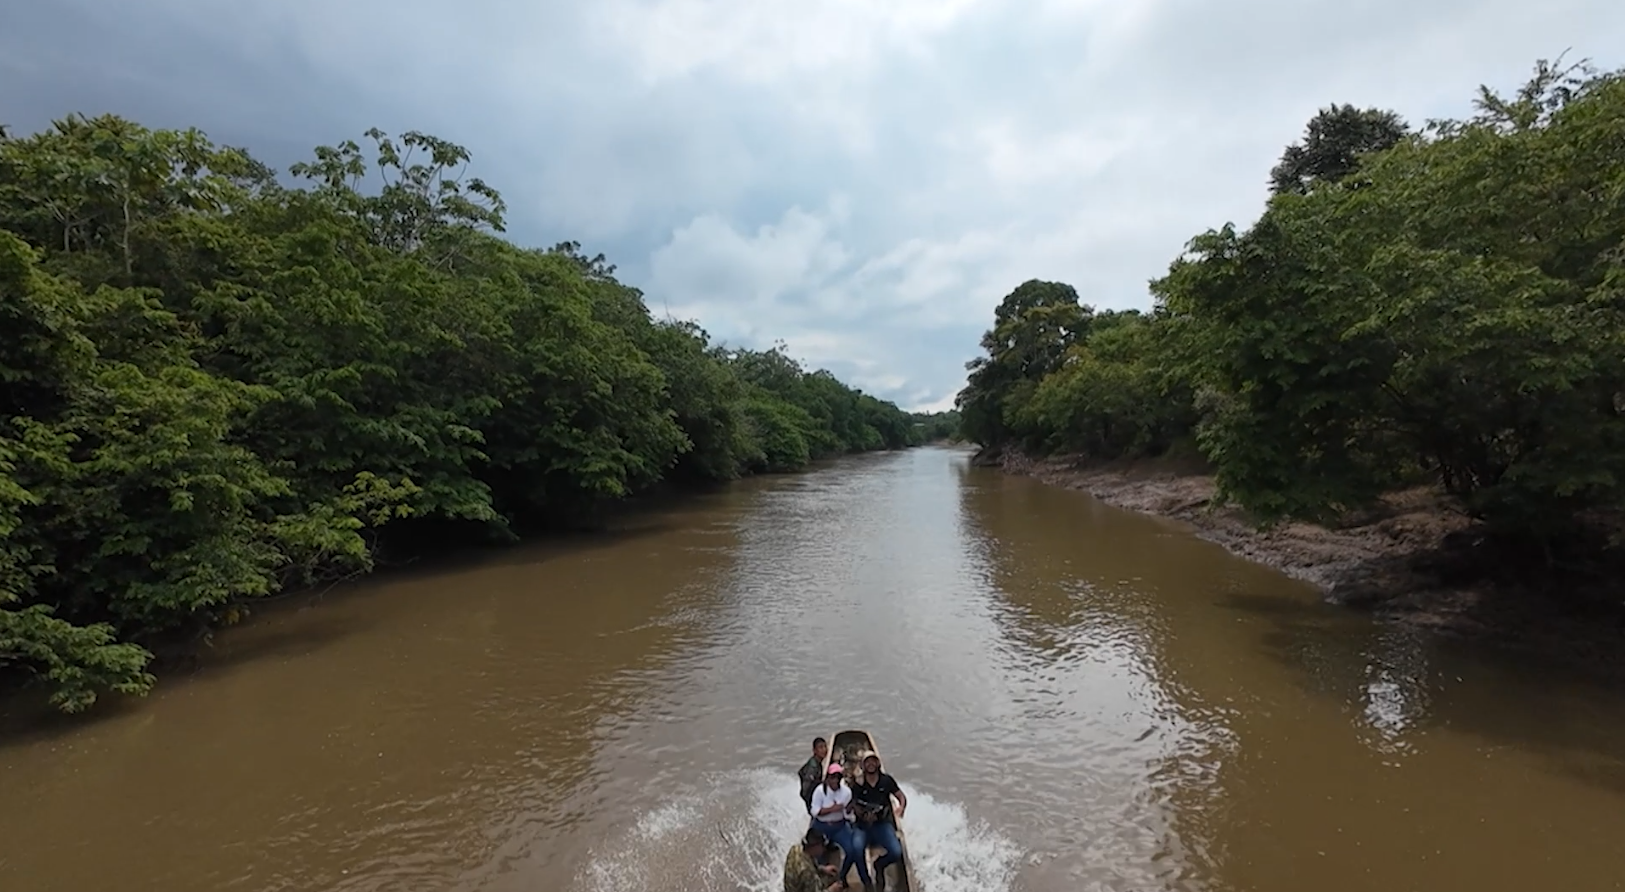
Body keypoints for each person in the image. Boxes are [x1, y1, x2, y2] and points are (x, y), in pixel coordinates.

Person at [849, 751, 908, 892]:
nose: (870, 764)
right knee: (856, 849)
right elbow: (852, 803)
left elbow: (901, 796)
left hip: (882, 824)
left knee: (896, 852)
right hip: (862, 826)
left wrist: (901, 807)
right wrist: (862, 814)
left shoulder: (886, 780)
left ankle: (879, 865)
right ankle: (866, 881)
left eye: (873, 761)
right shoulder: (858, 783)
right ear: (863, 765)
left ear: (878, 763)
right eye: (867, 762)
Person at [808, 762, 872, 890]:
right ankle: (821, 879)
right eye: (832, 777)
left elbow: (848, 816)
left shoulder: (846, 792)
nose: (835, 780)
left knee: (852, 851)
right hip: (821, 826)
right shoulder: (819, 791)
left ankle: (842, 876)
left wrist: (849, 810)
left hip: (839, 826)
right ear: (828, 778)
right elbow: (814, 811)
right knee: (816, 853)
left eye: (838, 777)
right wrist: (832, 809)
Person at [784, 828, 844, 892]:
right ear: (815, 846)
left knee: (831, 876)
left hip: (794, 886)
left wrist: (822, 869)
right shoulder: (807, 871)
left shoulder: (796, 848)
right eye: (822, 845)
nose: (824, 849)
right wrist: (831, 890)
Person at [798, 737, 829, 812]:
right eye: (820, 747)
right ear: (814, 750)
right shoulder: (813, 766)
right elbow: (805, 789)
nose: (824, 750)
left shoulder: (818, 763)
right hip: (811, 800)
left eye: (825, 746)